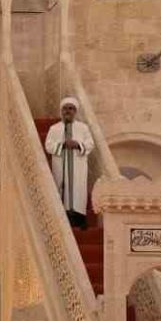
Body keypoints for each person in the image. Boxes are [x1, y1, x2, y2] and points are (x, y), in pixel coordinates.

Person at [45, 96, 95, 229]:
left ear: (75, 111)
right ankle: (62, 220)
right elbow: (48, 145)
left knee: (78, 192)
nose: (68, 111)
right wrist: (62, 145)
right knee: (61, 189)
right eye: (65, 108)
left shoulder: (83, 128)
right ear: (61, 111)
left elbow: (90, 144)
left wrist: (77, 145)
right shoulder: (54, 128)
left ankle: (79, 220)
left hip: (78, 167)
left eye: (71, 108)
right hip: (60, 165)